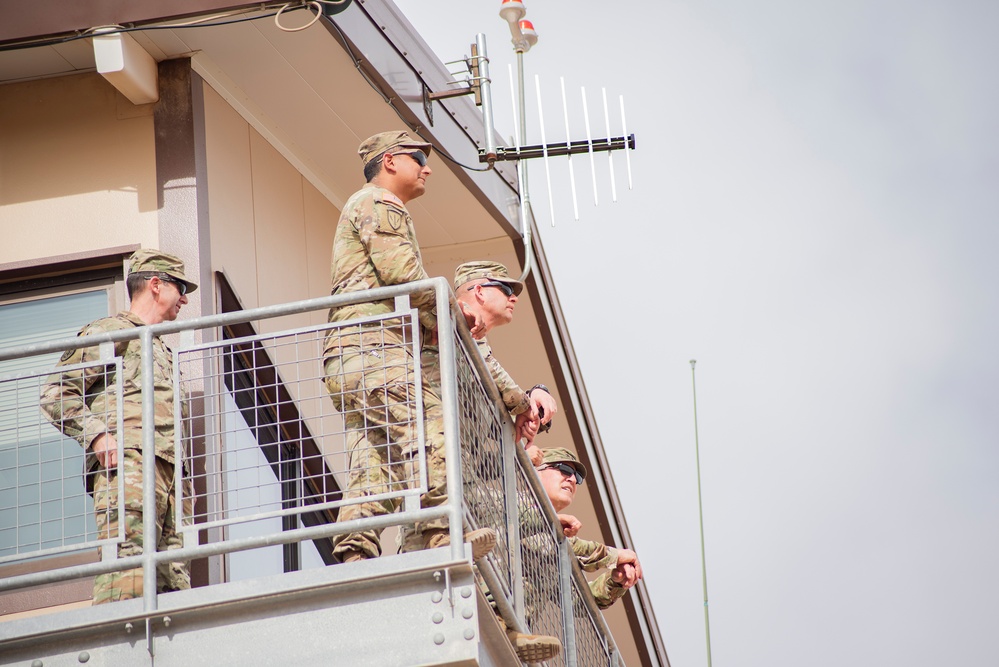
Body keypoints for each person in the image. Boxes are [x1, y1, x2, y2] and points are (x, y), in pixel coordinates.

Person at [322, 130, 493, 563]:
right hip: (372, 348)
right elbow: (401, 271)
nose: (427, 167)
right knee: (431, 423)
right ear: (391, 161)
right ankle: (440, 533)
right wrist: (449, 313)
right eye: (418, 157)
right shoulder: (380, 201)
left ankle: (355, 553)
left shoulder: (368, 203)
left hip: (354, 352)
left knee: (376, 458)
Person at [40, 249, 197, 605]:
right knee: (127, 572)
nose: (184, 298)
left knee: (174, 582)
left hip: (171, 477)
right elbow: (55, 392)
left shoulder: (161, 350)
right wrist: (96, 435)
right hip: (129, 466)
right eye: (180, 286)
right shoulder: (113, 332)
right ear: (155, 285)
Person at [536, 447, 643, 609]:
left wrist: (615, 581)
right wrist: (615, 556)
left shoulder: (550, 555)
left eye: (577, 477)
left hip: (508, 626)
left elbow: (578, 600)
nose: (572, 479)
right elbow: (572, 548)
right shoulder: (506, 503)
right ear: (537, 472)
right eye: (564, 470)